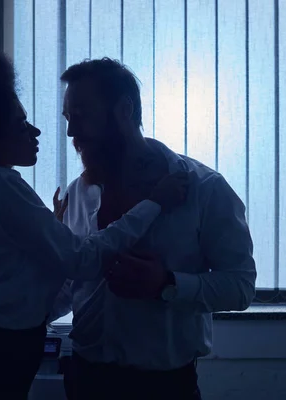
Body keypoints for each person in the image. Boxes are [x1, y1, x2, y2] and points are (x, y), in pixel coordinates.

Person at [0, 44, 188, 399]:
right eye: (21, 124)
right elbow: (84, 261)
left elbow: (19, 282)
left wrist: (50, 232)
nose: (37, 132)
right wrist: (154, 203)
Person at [49, 58, 257, 400]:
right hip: (85, 380)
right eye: (68, 119)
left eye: (82, 115)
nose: (72, 133)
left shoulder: (206, 189)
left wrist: (167, 284)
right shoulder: (76, 193)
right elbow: (71, 283)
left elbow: (240, 286)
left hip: (165, 388)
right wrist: (1, 318)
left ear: (124, 110)